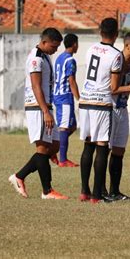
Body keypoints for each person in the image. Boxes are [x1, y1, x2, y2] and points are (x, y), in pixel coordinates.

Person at [8, 27, 68, 200]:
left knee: (54, 146)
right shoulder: (35, 59)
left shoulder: (44, 56)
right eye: (54, 46)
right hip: (38, 107)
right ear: (44, 42)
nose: (55, 50)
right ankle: (47, 191)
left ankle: (19, 176)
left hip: (46, 107)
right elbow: (36, 86)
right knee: (42, 149)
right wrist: (45, 112)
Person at [78, 18, 122, 203]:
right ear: (116, 34)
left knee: (88, 145)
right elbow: (113, 87)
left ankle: (84, 191)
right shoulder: (116, 55)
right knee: (102, 147)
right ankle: (97, 195)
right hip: (101, 104)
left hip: (85, 99)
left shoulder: (91, 49)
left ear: (100, 31)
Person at [108, 31, 130, 200]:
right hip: (109, 108)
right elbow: (112, 88)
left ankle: (115, 190)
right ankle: (100, 190)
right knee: (103, 150)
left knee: (119, 151)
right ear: (127, 45)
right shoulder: (116, 59)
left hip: (123, 109)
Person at [53, 33, 80, 167]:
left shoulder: (59, 58)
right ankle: (62, 159)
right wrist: (79, 98)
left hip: (59, 95)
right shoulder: (70, 60)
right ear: (74, 44)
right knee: (64, 127)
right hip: (64, 96)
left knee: (72, 126)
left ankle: (54, 149)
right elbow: (71, 80)